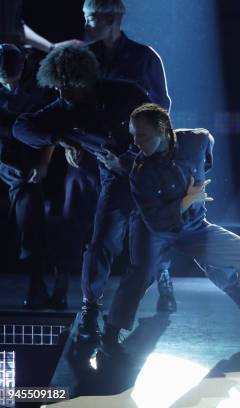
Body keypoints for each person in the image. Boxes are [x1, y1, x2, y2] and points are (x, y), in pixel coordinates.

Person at [98, 103, 240, 358]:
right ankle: (111, 333)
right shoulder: (139, 171)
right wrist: (189, 198)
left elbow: (207, 154)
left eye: (142, 135)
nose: (136, 142)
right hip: (152, 229)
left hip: (194, 227)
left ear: (162, 130)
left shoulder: (198, 139)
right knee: (140, 273)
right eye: (134, 135)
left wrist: (195, 192)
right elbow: (157, 221)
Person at [12, 46, 149, 341]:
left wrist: (128, 159)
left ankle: (162, 281)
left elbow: (160, 131)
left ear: (84, 79)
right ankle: (90, 309)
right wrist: (60, 140)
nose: (62, 93)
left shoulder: (126, 94)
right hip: (115, 182)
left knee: (150, 253)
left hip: (150, 178)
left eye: (68, 86)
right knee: (102, 241)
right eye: (58, 86)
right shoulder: (63, 109)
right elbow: (21, 127)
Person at [58, 0, 176, 314]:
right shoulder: (86, 59)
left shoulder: (144, 57)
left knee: (147, 233)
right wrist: (70, 142)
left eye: (91, 17)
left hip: (139, 161)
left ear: (111, 18)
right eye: (85, 17)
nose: (87, 24)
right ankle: (88, 306)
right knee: (99, 235)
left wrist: (147, 152)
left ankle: (162, 280)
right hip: (100, 160)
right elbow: (68, 105)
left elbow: (162, 108)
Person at [0, 43, 55, 308]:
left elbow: (50, 130)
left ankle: (37, 287)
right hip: (3, 157)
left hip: (23, 163)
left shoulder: (39, 88)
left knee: (31, 217)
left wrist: (43, 164)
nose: (8, 84)